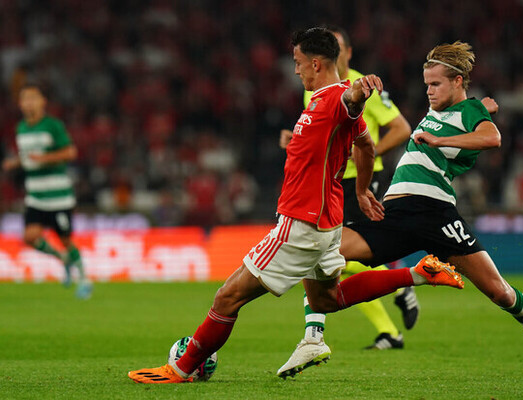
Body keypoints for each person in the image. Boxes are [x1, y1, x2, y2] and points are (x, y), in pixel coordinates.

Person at [127, 27, 463, 384]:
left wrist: (357, 94)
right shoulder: (319, 102)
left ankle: (179, 368)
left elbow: (350, 102)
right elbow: (364, 145)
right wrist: (362, 190)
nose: (295, 70)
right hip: (327, 224)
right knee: (327, 300)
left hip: (301, 223)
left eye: (298, 63)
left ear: (316, 64)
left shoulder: (337, 99)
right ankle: (419, 273)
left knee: (227, 297)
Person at [281, 41, 523, 381]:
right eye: (426, 84)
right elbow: (468, 114)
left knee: (499, 291)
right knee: (321, 251)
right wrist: (481, 108)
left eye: (436, 84)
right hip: (395, 213)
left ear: (457, 82)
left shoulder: (469, 112)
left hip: (437, 213)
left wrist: (450, 135)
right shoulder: (445, 108)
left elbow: (492, 138)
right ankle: (313, 337)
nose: (428, 91)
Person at [279, 25, 417, 352]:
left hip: (362, 181)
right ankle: (391, 318)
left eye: (339, 49)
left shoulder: (361, 86)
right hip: (333, 181)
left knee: (331, 252)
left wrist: (367, 152)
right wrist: (294, 140)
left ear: (348, 53)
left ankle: (316, 334)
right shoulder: (312, 89)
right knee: (329, 254)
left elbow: (401, 128)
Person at [2, 83, 92, 299]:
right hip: (35, 195)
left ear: (43, 102)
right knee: (30, 236)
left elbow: (70, 152)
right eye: (25, 99)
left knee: (66, 239)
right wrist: (15, 163)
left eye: (33, 98)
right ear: (20, 104)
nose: (29, 103)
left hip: (58, 196)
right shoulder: (21, 128)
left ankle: (84, 279)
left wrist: (44, 159)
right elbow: (28, 157)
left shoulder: (53, 125)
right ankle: (62, 259)